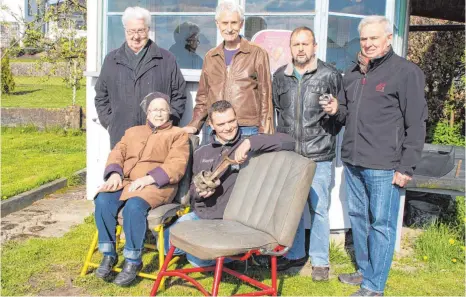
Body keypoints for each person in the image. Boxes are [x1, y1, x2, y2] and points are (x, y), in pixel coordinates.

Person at [321, 16, 427, 296]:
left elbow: (416, 123)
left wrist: (407, 166)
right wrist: (335, 110)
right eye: (364, 39)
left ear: (388, 39)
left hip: (384, 165)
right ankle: (365, 271)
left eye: (374, 38)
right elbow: (345, 114)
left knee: (381, 224)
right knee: (359, 217)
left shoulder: (405, 72)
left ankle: (374, 285)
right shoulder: (353, 73)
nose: (368, 44)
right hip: (354, 161)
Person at [165, 100, 295, 267]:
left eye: (231, 121)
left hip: (231, 221)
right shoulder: (201, 152)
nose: (228, 128)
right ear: (211, 125)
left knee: (196, 260)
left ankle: (232, 254)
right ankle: (221, 252)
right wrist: (200, 192)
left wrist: (250, 142)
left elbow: (289, 141)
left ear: (236, 119)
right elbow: (193, 189)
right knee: (166, 241)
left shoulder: (251, 147)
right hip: (202, 216)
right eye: (221, 124)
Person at [93, 92, 190, 286]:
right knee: (102, 200)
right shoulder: (132, 132)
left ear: (169, 112)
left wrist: (148, 179)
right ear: (147, 113)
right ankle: (108, 254)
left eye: (163, 109)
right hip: (128, 182)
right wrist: (114, 174)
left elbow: (176, 165)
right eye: (154, 109)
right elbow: (117, 153)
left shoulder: (178, 135)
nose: (159, 113)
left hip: (157, 185)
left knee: (134, 207)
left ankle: (132, 260)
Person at [272, 26, 343, 281]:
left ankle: (320, 262)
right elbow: (275, 113)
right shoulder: (280, 76)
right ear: (290, 48)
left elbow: (342, 114)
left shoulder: (330, 75)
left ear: (314, 47)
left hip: (319, 154)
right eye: (296, 44)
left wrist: (336, 111)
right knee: (293, 208)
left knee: (319, 208)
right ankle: (294, 255)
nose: (300, 49)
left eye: (305, 44)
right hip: (290, 155)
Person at [95, 6, 186, 148]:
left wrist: (168, 123)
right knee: (121, 170)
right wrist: (110, 122)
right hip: (121, 137)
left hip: (158, 138)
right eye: (131, 31)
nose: (136, 37)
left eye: (141, 31)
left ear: (148, 30)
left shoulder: (166, 59)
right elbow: (101, 96)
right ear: (125, 30)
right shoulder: (111, 60)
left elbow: (179, 95)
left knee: (155, 171)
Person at [182, 0, 274, 138]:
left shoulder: (257, 53)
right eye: (225, 23)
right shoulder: (210, 56)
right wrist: (194, 124)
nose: (229, 28)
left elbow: (265, 95)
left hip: (246, 128)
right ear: (217, 24)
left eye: (234, 23)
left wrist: (265, 132)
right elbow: (203, 97)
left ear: (241, 24)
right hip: (215, 128)